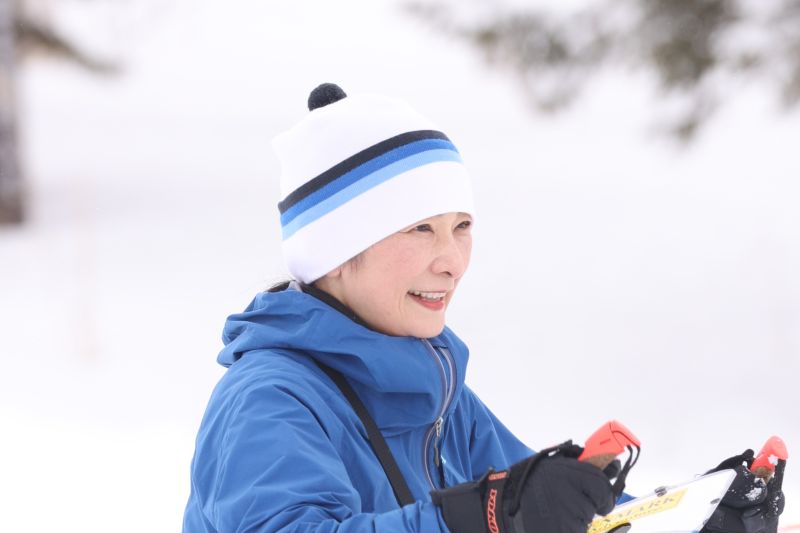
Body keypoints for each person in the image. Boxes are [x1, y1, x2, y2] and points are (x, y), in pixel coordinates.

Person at [183, 84, 785, 532]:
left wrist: (694, 519)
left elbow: (552, 515)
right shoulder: (269, 399)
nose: (452, 261)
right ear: (336, 254)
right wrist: (484, 516)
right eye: (419, 228)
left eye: (461, 226)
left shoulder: (434, 387)